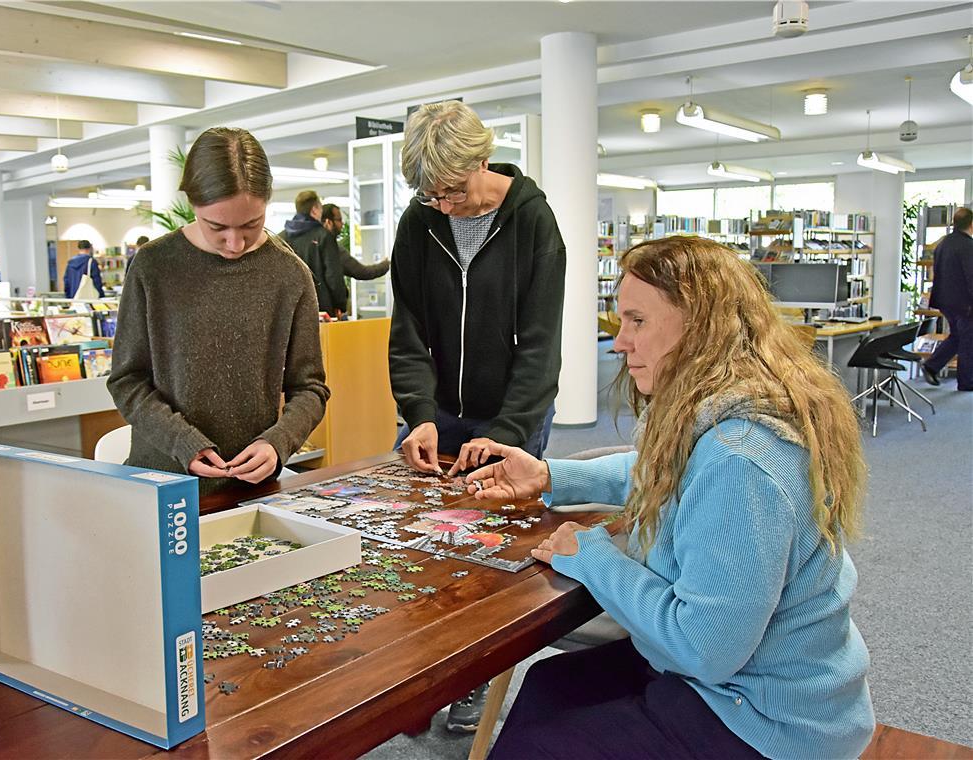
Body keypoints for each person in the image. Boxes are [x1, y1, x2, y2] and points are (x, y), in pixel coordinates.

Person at [458, 236, 874, 759]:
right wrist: (548, 474)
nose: (619, 344)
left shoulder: (740, 460)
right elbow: (661, 472)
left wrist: (592, 558)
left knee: (540, 744)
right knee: (549, 685)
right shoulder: (732, 408)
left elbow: (703, 648)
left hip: (767, 720)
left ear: (700, 327)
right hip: (743, 682)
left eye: (637, 321)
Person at [389, 100, 566, 733]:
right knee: (415, 551)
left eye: (455, 191)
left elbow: (541, 346)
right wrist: (418, 414)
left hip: (510, 419)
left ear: (483, 163)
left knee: (491, 564)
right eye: (431, 195)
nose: (445, 205)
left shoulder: (534, 222)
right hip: (437, 415)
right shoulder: (420, 221)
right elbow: (408, 328)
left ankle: (471, 684)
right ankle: (416, 677)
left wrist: (506, 433)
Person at [108, 127, 329, 495]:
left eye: (251, 225)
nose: (234, 243)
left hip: (248, 491)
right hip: (160, 488)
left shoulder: (290, 274)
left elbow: (310, 388)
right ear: (193, 204)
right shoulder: (152, 266)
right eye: (217, 227)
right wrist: (182, 442)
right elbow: (126, 381)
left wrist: (278, 443)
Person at [921, 206, 973, 391]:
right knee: (967, 339)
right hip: (964, 302)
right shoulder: (967, 245)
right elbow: (970, 275)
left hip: (944, 300)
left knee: (959, 336)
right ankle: (966, 382)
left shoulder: (944, 243)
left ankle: (932, 365)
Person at [278, 189, 345, 316]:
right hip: (321, 307)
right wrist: (339, 304)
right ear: (314, 210)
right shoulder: (324, 236)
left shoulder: (281, 238)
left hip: (291, 308)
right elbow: (333, 275)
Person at [320, 202, 390, 314]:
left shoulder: (307, 244)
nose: (342, 224)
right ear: (328, 222)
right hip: (330, 311)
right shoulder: (333, 249)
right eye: (339, 220)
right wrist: (387, 264)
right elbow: (362, 272)